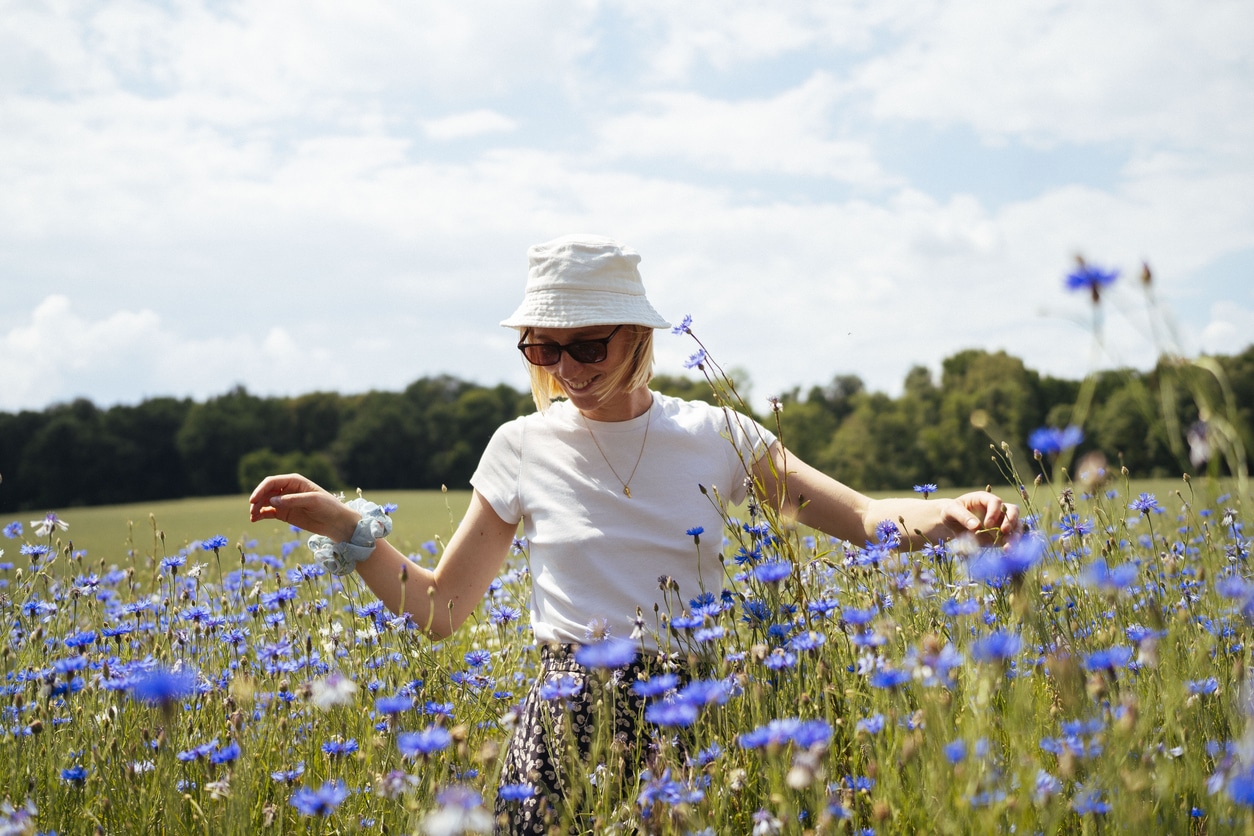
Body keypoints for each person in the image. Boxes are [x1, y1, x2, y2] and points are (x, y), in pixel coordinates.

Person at [248, 234, 1020, 833]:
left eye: (589, 346)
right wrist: (348, 530)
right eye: (544, 349)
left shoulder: (717, 433)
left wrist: (949, 515)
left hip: (700, 712)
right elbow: (442, 611)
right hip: (563, 717)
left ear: (639, 337)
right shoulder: (519, 445)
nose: (568, 368)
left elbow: (857, 518)